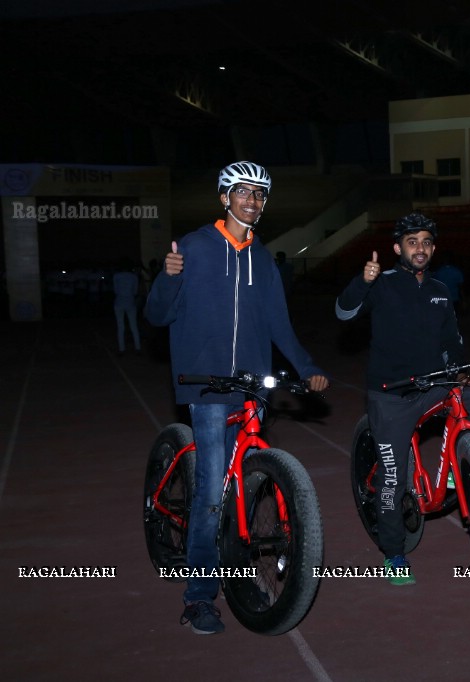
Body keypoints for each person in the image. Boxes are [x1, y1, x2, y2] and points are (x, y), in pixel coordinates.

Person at [145, 161, 329, 634]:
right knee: (210, 491)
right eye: (244, 192)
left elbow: (278, 325)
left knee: (240, 476)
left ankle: (237, 552)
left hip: (251, 384)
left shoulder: (264, 260)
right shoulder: (193, 247)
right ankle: (199, 597)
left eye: (260, 195)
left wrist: (307, 368)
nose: (253, 201)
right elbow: (158, 315)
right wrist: (166, 277)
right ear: (224, 198)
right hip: (205, 385)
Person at [335, 212, 470, 586]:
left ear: (433, 248)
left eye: (425, 242)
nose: (419, 248)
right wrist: (362, 281)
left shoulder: (440, 289)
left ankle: (458, 472)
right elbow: (343, 313)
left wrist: (459, 372)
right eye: (412, 242)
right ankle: (393, 553)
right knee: (392, 478)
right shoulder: (382, 284)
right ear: (397, 248)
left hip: (433, 385)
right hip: (391, 394)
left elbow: (450, 342)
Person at [112, 257, 141, 355]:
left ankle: (121, 349)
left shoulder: (116, 276)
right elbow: (136, 291)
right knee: (134, 326)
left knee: (121, 327)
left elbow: (115, 290)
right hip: (130, 302)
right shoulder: (134, 277)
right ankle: (137, 348)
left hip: (119, 302)